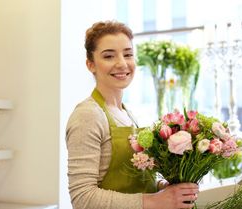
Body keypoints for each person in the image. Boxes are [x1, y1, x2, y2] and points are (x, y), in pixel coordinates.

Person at [66, 20, 199, 209]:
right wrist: (155, 201)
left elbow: (136, 183)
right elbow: (83, 199)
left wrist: (165, 189)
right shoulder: (88, 115)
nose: (122, 63)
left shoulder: (127, 114)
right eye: (109, 56)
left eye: (128, 54)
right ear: (91, 64)